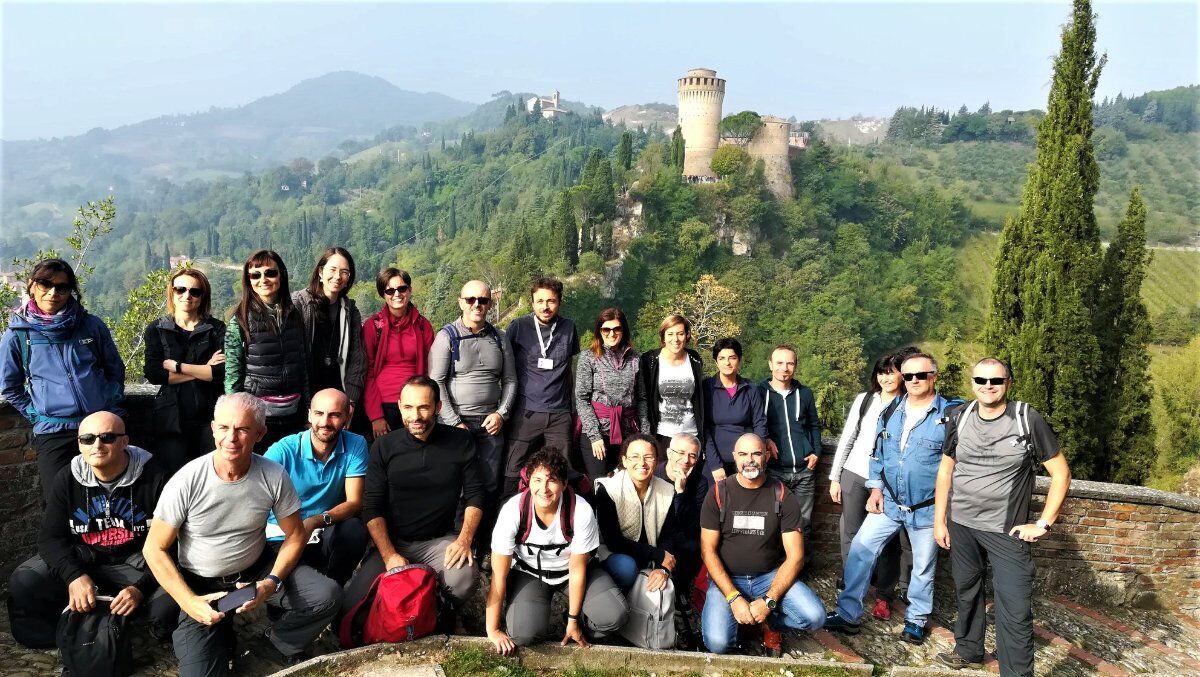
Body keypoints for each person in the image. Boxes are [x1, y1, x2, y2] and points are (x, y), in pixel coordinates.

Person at [143, 393, 342, 674]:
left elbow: (295, 534)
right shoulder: (187, 480)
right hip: (201, 584)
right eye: (224, 428)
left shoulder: (272, 474)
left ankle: (276, 644)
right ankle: (210, 636)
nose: (231, 438)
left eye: (243, 429)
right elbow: (154, 548)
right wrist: (189, 602)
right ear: (213, 429)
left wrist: (271, 581)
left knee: (326, 595)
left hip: (255, 570)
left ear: (260, 433)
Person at [934, 358, 1071, 675]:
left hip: (1006, 530)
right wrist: (940, 519)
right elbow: (946, 470)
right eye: (980, 380)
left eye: (995, 380)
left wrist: (1042, 524)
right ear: (972, 383)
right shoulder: (960, 416)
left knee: (1015, 607)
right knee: (967, 590)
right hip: (962, 523)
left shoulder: (1026, 418)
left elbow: (1061, 474)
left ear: (1008, 383)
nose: (987, 386)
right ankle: (968, 650)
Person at [825, 353, 962, 645]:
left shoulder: (951, 414)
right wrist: (875, 489)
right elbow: (879, 454)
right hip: (888, 501)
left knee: (923, 566)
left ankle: (916, 620)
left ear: (933, 376)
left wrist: (946, 511)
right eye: (909, 375)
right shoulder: (892, 410)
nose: (914, 381)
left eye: (920, 375)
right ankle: (848, 614)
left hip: (926, 508)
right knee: (861, 549)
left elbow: (956, 464)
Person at [7, 411, 170, 648]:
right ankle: (70, 636)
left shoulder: (156, 478)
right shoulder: (67, 478)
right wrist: (73, 575)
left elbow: (173, 544)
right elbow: (50, 539)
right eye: (88, 439)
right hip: (86, 559)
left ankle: (129, 630)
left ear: (125, 441)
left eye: (107, 437)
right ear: (79, 444)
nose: (97, 445)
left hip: (137, 563)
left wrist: (140, 588)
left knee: (169, 606)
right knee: (25, 580)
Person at [344, 376, 484, 620]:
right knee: (351, 606)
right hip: (393, 543)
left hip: (439, 542)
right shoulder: (383, 446)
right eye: (408, 407)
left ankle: (437, 614)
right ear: (399, 406)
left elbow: (475, 495)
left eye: (423, 407)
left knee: (463, 578)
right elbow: (372, 505)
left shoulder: (460, 441)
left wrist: (464, 540)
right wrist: (389, 556)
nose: (415, 416)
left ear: (438, 408)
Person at [0, 258, 125, 498]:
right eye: (45, 284)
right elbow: (10, 386)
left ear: (71, 291)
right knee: (58, 500)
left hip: (99, 426)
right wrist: (37, 414)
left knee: (107, 497)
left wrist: (110, 405)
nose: (53, 292)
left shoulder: (90, 326)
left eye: (62, 287)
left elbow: (114, 370)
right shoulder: (18, 335)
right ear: (31, 285)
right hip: (53, 432)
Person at [485, 449, 629, 655]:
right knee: (523, 634)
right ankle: (540, 619)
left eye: (551, 480)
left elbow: (578, 570)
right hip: (531, 573)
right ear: (528, 482)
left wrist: (573, 619)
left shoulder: (580, 510)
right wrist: (493, 629)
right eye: (537, 480)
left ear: (563, 484)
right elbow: (499, 575)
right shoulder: (512, 511)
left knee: (614, 616)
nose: (543, 489)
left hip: (573, 573)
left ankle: (577, 626)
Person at [700, 433, 825, 655]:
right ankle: (740, 623)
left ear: (766, 455)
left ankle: (772, 622)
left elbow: (795, 556)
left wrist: (769, 600)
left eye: (756, 453)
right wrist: (733, 597)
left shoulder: (782, 495)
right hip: (727, 578)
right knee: (718, 644)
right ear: (734, 457)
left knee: (815, 618)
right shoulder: (719, 493)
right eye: (743, 454)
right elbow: (707, 551)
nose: (750, 459)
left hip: (768, 577)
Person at [428, 280, 516, 555]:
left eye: (483, 300)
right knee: (457, 484)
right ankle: (454, 543)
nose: (477, 305)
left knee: (489, 484)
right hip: (457, 424)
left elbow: (511, 380)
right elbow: (436, 381)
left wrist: (502, 413)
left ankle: (481, 545)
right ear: (460, 301)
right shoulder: (447, 336)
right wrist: (454, 422)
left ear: (490, 303)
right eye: (471, 300)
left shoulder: (500, 338)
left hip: (491, 424)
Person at [827, 352, 911, 620]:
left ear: (902, 374)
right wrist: (835, 476)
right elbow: (848, 437)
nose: (886, 377)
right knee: (851, 534)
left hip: (888, 481)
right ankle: (852, 585)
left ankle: (884, 594)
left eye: (892, 371)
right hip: (855, 473)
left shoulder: (908, 404)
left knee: (888, 541)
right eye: (882, 372)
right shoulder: (865, 401)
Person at [263, 388, 368, 586]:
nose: (325, 422)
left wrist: (315, 521)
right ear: (309, 414)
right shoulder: (283, 449)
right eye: (319, 413)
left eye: (335, 415)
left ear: (347, 417)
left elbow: (355, 503)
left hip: (322, 528)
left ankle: (335, 588)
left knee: (354, 529)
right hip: (281, 533)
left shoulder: (356, 444)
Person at [143, 266, 226, 474]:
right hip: (171, 418)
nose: (187, 295)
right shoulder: (157, 329)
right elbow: (154, 374)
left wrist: (179, 367)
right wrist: (203, 369)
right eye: (180, 289)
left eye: (194, 291)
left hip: (209, 416)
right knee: (173, 477)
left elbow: (219, 374)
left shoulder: (216, 329)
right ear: (172, 292)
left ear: (202, 297)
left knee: (210, 475)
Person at [224, 250, 309, 451]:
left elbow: (302, 364)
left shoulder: (294, 315)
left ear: (281, 275)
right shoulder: (240, 320)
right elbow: (232, 374)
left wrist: (308, 409)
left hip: (294, 413)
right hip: (258, 417)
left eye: (270, 273)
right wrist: (234, 416)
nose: (263, 280)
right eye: (255, 275)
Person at [503, 277, 579, 491]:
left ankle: (563, 519)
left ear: (560, 302)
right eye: (540, 301)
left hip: (559, 414)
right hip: (525, 412)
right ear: (532, 302)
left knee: (561, 470)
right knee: (512, 469)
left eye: (551, 301)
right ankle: (508, 516)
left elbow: (569, 371)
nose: (545, 307)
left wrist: (570, 410)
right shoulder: (518, 327)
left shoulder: (569, 328)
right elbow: (506, 370)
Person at [761, 344, 821, 570]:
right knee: (774, 522)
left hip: (804, 471)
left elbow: (814, 425)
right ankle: (776, 568)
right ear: (770, 364)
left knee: (803, 523)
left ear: (795, 365)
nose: (784, 368)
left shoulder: (804, 393)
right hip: (775, 471)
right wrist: (765, 438)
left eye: (790, 363)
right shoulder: (760, 392)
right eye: (779, 363)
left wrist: (816, 451)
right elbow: (756, 423)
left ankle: (800, 569)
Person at [593, 434, 679, 592]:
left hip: (651, 554)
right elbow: (613, 541)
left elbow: (669, 535)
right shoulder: (608, 489)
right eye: (635, 457)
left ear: (657, 460)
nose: (642, 463)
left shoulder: (667, 489)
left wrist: (663, 568)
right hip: (615, 554)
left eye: (648, 457)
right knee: (626, 568)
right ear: (624, 460)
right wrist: (658, 555)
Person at [574, 308, 650, 481]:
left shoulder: (635, 359)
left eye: (617, 329)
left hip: (628, 432)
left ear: (624, 330)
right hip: (597, 432)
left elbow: (642, 399)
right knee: (600, 484)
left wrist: (644, 436)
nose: (612, 333)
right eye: (606, 329)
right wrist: (595, 436)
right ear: (599, 331)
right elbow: (582, 398)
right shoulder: (589, 357)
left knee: (627, 483)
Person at [362, 267, 434, 440]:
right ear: (383, 294)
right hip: (384, 404)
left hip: (416, 402)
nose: (397, 294)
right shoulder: (373, 326)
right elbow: (367, 372)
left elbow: (431, 368)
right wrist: (375, 416)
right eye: (390, 290)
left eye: (402, 288)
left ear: (409, 290)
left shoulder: (423, 325)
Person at [292, 247, 366, 409]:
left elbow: (357, 358)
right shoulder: (299, 304)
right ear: (320, 272)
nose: (338, 277)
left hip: (338, 397)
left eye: (344, 272)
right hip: (304, 395)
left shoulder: (350, 311)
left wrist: (351, 401)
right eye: (332, 270)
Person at [702, 338, 766, 482]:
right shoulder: (706, 388)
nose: (727, 363)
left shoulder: (750, 389)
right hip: (716, 461)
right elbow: (704, 428)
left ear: (740, 359)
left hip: (747, 461)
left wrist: (757, 457)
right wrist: (715, 465)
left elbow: (759, 424)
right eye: (722, 358)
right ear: (715, 361)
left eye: (732, 357)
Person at [640, 314, 705, 452]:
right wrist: (647, 435)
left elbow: (699, 398)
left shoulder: (694, 359)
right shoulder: (650, 360)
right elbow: (643, 399)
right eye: (670, 334)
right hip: (663, 435)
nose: (675, 339)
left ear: (687, 335)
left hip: (691, 433)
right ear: (663, 336)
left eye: (680, 334)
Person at [654, 432, 708, 591]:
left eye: (693, 456)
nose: (686, 460)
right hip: (654, 530)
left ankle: (681, 589)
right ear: (669, 453)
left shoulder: (700, 482)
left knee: (693, 545)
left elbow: (691, 523)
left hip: (681, 533)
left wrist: (680, 491)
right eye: (681, 453)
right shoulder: (655, 473)